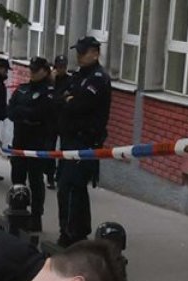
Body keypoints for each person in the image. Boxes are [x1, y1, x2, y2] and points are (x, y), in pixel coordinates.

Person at [55, 37, 111, 247]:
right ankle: (71, 230)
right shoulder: (79, 76)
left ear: (95, 53)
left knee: (72, 187)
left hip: (85, 142)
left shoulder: (98, 78)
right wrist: (67, 99)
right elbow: (59, 97)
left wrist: (69, 100)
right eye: (78, 52)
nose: (78, 56)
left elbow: (79, 105)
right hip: (70, 140)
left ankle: (73, 234)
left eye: (83, 52)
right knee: (68, 187)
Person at [8, 57, 57, 232]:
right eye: (31, 69)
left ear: (45, 71)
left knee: (35, 180)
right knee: (17, 177)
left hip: (37, 142)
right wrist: (25, 114)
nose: (32, 73)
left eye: (36, 70)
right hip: (19, 141)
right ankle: (17, 209)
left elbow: (41, 113)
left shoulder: (49, 92)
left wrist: (23, 113)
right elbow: (11, 111)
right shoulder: (22, 89)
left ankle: (36, 216)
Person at [45, 55, 70, 190]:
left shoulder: (69, 80)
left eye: (63, 67)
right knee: (50, 148)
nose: (61, 69)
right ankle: (50, 177)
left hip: (64, 119)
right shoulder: (49, 81)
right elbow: (50, 99)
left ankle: (60, 175)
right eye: (59, 67)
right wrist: (52, 83)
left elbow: (68, 98)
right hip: (51, 119)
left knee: (64, 148)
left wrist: (59, 98)